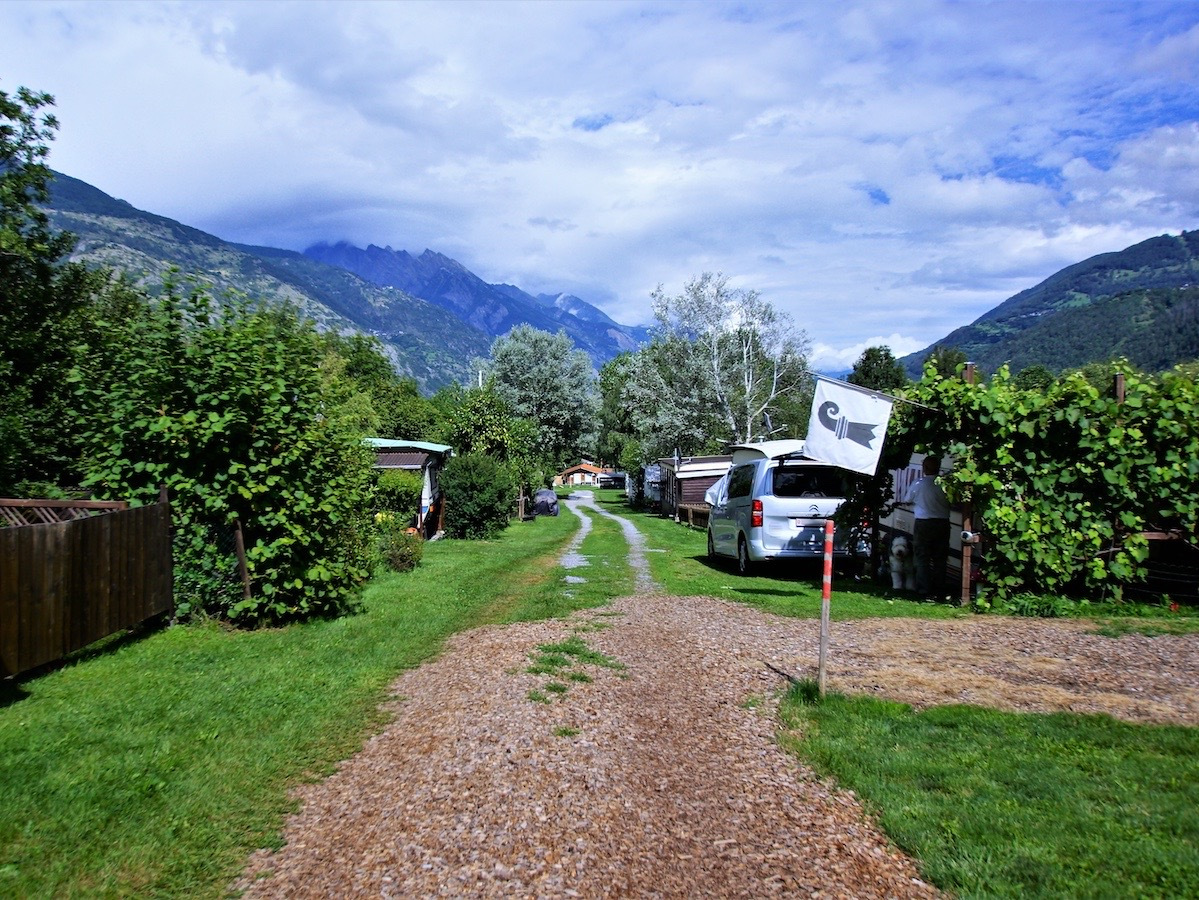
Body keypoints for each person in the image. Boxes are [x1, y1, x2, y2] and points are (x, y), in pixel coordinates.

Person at [904, 456, 951, 600]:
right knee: (940, 558)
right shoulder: (944, 484)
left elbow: (907, 500)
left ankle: (924, 589)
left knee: (922, 557)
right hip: (942, 523)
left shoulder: (918, 484)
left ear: (924, 468)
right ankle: (940, 589)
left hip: (923, 523)